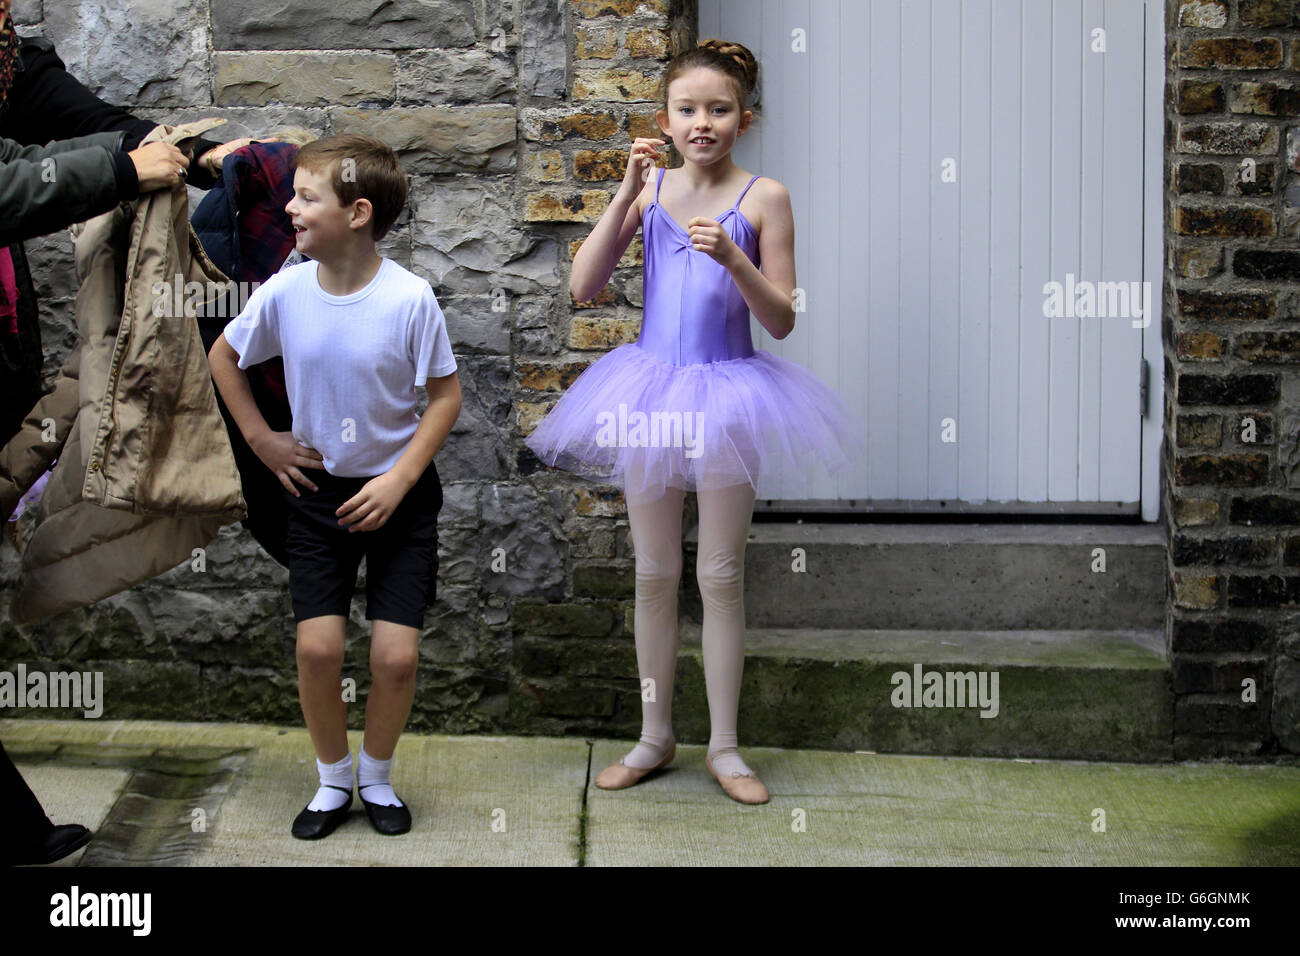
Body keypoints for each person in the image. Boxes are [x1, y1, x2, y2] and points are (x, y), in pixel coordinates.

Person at [524, 39, 864, 805]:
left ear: (746, 119)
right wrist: (625, 190)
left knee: (718, 573)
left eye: (719, 109)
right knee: (653, 571)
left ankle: (727, 747)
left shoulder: (764, 197)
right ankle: (653, 736)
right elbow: (583, 288)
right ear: (666, 120)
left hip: (730, 393)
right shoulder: (650, 192)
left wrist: (734, 261)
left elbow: (782, 321)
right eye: (687, 110)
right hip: (647, 389)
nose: (702, 122)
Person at [208, 134, 461, 839]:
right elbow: (223, 357)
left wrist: (400, 478)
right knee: (318, 649)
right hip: (317, 500)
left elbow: (445, 396)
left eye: (305, 197)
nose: (288, 208)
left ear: (355, 213)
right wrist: (262, 440)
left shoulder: (409, 298)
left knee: (395, 656)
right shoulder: (286, 291)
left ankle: (375, 778)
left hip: (400, 499)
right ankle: (331, 782)